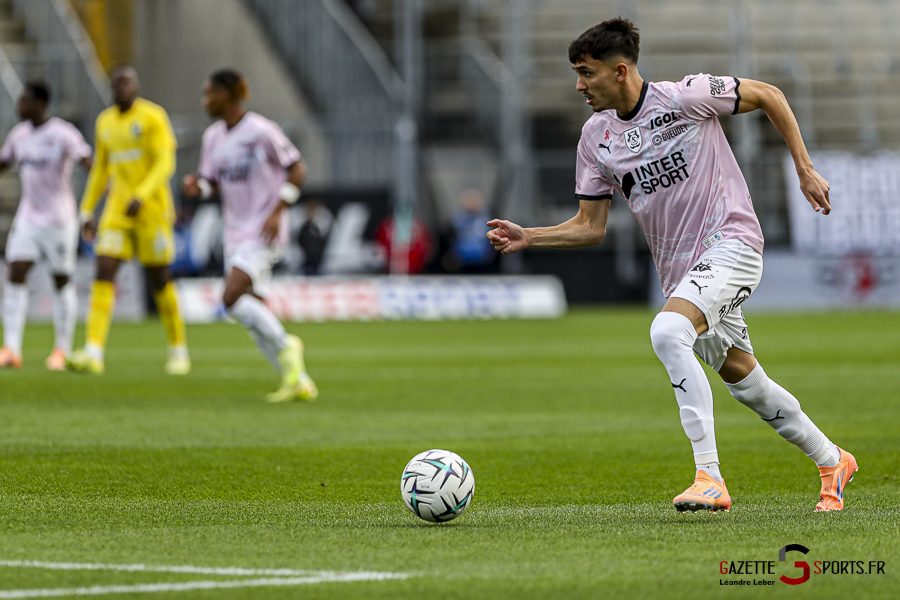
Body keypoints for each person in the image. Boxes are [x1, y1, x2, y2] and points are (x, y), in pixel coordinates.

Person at [487, 18, 856, 513]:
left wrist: (804, 168)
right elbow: (590, 226)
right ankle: (833, 460)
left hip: (733, 243)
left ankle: (709, 477)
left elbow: (769, 94)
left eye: (585, 73)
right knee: (747, 383)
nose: (578, 85)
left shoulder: (686, 97)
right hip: (682, 272)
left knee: (666, 332)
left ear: (619, 71)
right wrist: (530, 235)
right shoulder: (595, 138)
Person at [182, 69, 316, 403]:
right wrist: (197, 186)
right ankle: (297, 380)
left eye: (209, 93)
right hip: (235, 233)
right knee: (251, 313)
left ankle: (289, 347)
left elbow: (297, 168)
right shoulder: (212, 137)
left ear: (228, 94)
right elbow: (212, 181)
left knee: (229, 299)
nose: (205, 101)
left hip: (264, 230)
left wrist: (278, 209)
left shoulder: (261, 131)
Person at [67, 65, 190, 375]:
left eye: (129, 82)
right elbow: (100, 171)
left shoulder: (153, 117)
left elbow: (166, 161)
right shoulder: (104, 122)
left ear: (136, 86)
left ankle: (178, 349)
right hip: (117, 212)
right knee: (103, 269)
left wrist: (143, 194)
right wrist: (86, 210)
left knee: (159, 278)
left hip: (152, 211)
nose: (123, 87)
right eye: (118, 82)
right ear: (112, 86)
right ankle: (93, 351)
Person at [0, 82, 92, 370]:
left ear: (40, 102)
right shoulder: (19, 135)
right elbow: (3, 162)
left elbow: (87, 160)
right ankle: (12, 349)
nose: (19, 106)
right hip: (28, 218)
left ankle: (61, 350)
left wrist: (106, 187)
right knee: (15, 274)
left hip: (59, 220)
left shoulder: (63, 133)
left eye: (24, 100)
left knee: (61, 280)